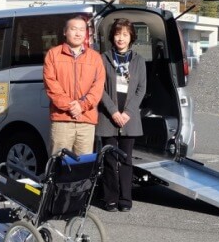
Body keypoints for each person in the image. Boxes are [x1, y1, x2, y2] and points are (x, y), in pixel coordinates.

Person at [96, 18, 147, 212]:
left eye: (125, 34)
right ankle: (110, 199)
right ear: (112, 36)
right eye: (118, 34)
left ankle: (126, 200)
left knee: (126, 160)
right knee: (109, 159)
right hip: (108, 117)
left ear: (131, 37)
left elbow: (141, 89)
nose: (121, 38)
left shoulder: (139, 60)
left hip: (129, 118)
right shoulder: (103, 58)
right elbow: (99, 89)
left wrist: (127, 113)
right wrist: (113, 111)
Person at [43, 15, 105, 156]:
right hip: (62, 120)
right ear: (65, 31)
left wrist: (82, 106)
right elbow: (51, 85)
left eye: (82, 30)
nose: (78, 33)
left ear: (86, 33)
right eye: (73, 29)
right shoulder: (53, 55)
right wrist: (71, 106)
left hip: (86, 120)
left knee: (83, 166)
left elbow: (98, 86)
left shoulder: (95, 57)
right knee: (59, 164)